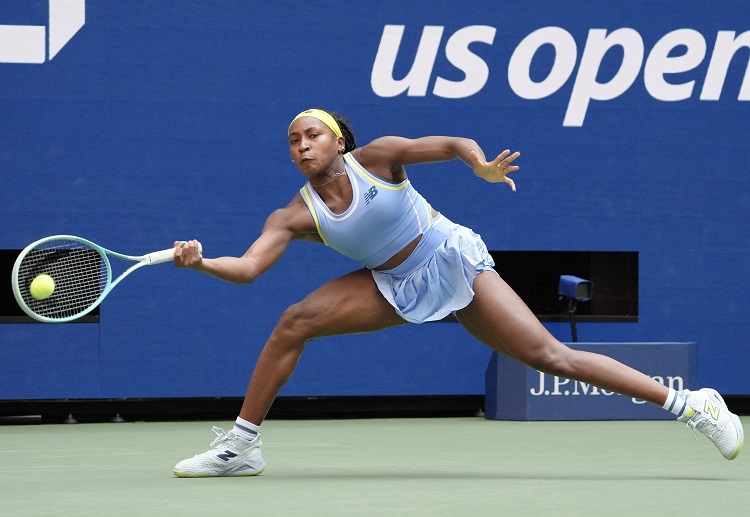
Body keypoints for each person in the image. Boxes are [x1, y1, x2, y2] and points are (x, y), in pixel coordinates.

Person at [171, 108, 743, 477]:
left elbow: (449, 142)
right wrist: (202, 264)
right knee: (295, 320)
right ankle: (242, 447)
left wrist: (479, 165)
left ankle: (693, 405)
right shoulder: (294, 214)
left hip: (448, 257)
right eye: (293, 139)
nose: (302, 144)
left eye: (312, 133)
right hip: (391, 282)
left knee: (551, 357)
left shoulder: (379, 157)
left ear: (339, 139)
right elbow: (247, 268)